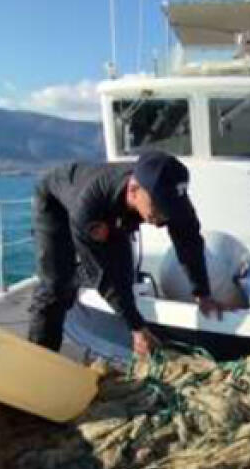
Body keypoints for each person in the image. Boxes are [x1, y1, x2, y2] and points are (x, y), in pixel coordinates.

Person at [28, 150, 223, 357]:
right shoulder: (89, 206)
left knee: (124, 275)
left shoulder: (172, 197)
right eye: (158, 207)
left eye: (170, 207)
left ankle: (77, 276)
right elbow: (103, 275)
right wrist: (137, 328)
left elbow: (189, 242)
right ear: (133, 190)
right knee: (56, 285)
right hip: (55, 203)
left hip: (116, 213)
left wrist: (202, 292)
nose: (165, 216)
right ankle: (40, 356)